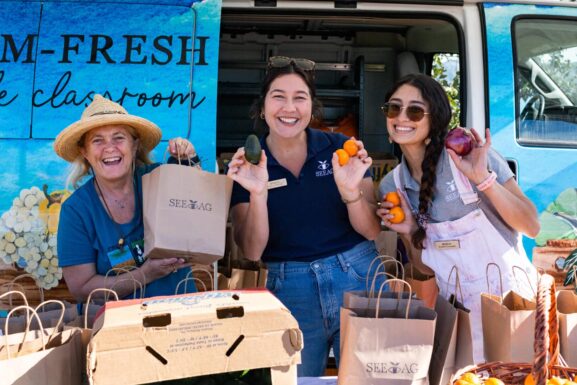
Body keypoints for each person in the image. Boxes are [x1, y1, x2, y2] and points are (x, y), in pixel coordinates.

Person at [226, 56, 384, 377]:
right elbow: (253, 251)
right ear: (262, 108)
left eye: (300, 98)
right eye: (278, 97)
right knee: (295, 382)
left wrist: (350, 191)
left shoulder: (341, 149)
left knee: (371, 379)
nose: (289, 107)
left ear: (312, 107)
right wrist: (258, 193)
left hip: (357, 276)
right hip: (288, 289)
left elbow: (370, 231)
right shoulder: (248, 164)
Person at [377, 73, 540, 362]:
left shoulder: (470, 158)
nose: (401, 117)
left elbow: (531, 225)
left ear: (434, 120)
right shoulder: (393, 186)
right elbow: (425, 270)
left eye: (414, 110)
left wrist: (483, 179)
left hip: (513, 307)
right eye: (394, 108)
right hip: (456, 315)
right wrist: (408, 230)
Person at [54, 94, 201, 301]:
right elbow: (81, 288)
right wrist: (145, 274)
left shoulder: (159, 179)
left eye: (119, 137)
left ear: (134, 145)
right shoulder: (76, 211)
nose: (110, 147)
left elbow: (197, 216)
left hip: (180, 314)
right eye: (98, 140)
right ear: (84, 152)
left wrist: (189, 160)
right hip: (117, 327)